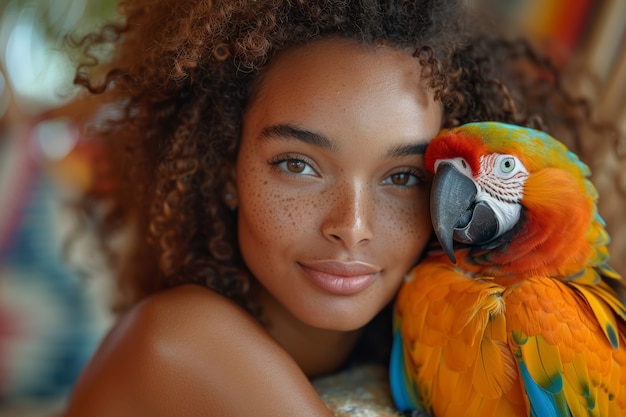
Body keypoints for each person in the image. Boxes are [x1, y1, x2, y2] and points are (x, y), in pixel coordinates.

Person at [61, 0, 611, 416]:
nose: (351, 227)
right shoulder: (179, 340)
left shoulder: (418, 338)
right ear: (224, 169)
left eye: (403, 177)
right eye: (298, 165)